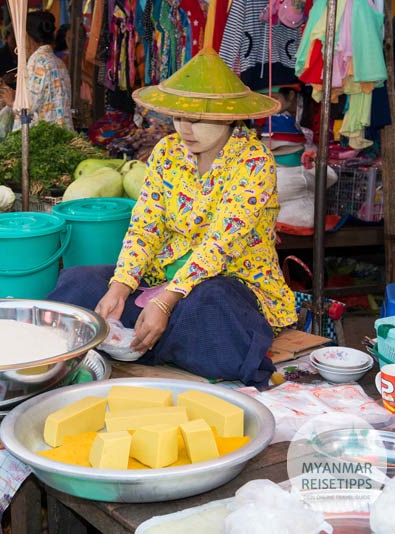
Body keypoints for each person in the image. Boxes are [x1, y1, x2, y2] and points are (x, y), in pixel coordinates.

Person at [47, 49, 297, 387]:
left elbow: (220, 243)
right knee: (78, 283)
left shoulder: (255, 160)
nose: (185, 128)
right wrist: (120, 286)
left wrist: (166, 302)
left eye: (196, 119)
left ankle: (141, 340)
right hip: (158, 279)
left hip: (229, 283)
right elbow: (145, 225)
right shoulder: (167, 152)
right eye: (179, 117)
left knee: (209, 309)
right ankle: (153, 341)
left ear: (229, 117)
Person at [2, 11, 73, 129]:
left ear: (27, 36)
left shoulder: (37, 62)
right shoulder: (59, 63)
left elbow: (28, 108)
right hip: (62, 135)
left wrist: (12, 102)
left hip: (43, 138)